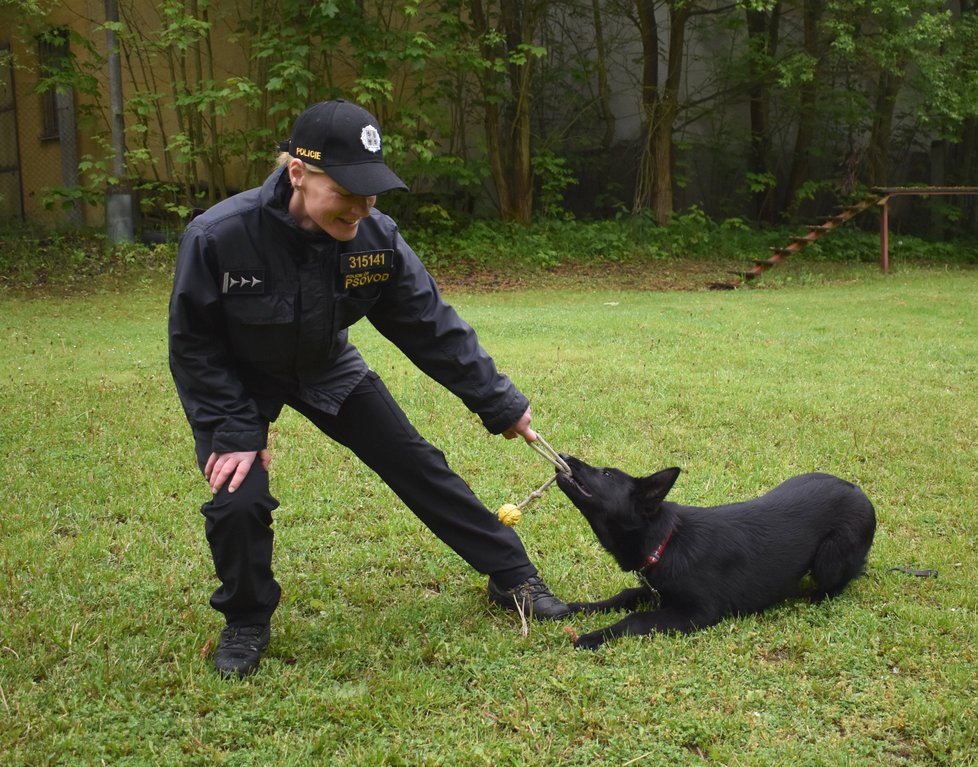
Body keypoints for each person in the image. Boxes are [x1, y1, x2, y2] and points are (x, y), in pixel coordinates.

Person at [168, 99, 570, 678]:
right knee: (239, 498)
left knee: (415, 461)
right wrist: (233, 429)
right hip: (237, 378)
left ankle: (512, 577)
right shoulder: (219, 238)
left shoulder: (373, 239)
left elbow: (428, 324)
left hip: (326, 364)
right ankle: (247, 619)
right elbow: (193, 344)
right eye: (348, 190)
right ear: (298, 173)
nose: (360, 207)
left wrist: (498, 401)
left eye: (371, 191)